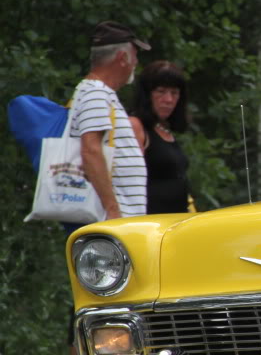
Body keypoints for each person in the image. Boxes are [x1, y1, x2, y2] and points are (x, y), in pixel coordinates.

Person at [68, 21, 150, 221]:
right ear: (122, 58)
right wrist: (113, 210)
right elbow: (91, 150)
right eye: (135, 55)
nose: (136, 63)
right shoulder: (95, 93)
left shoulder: (100, 93)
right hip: (112, 221)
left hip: (121, 220)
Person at [129, 61, 193, 213]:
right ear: (147, 94)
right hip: (148, 223)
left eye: (174, 93)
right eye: (161, 91)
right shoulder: (135, 126)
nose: (169, 99)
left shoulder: (165, 130)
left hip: (176, 221)